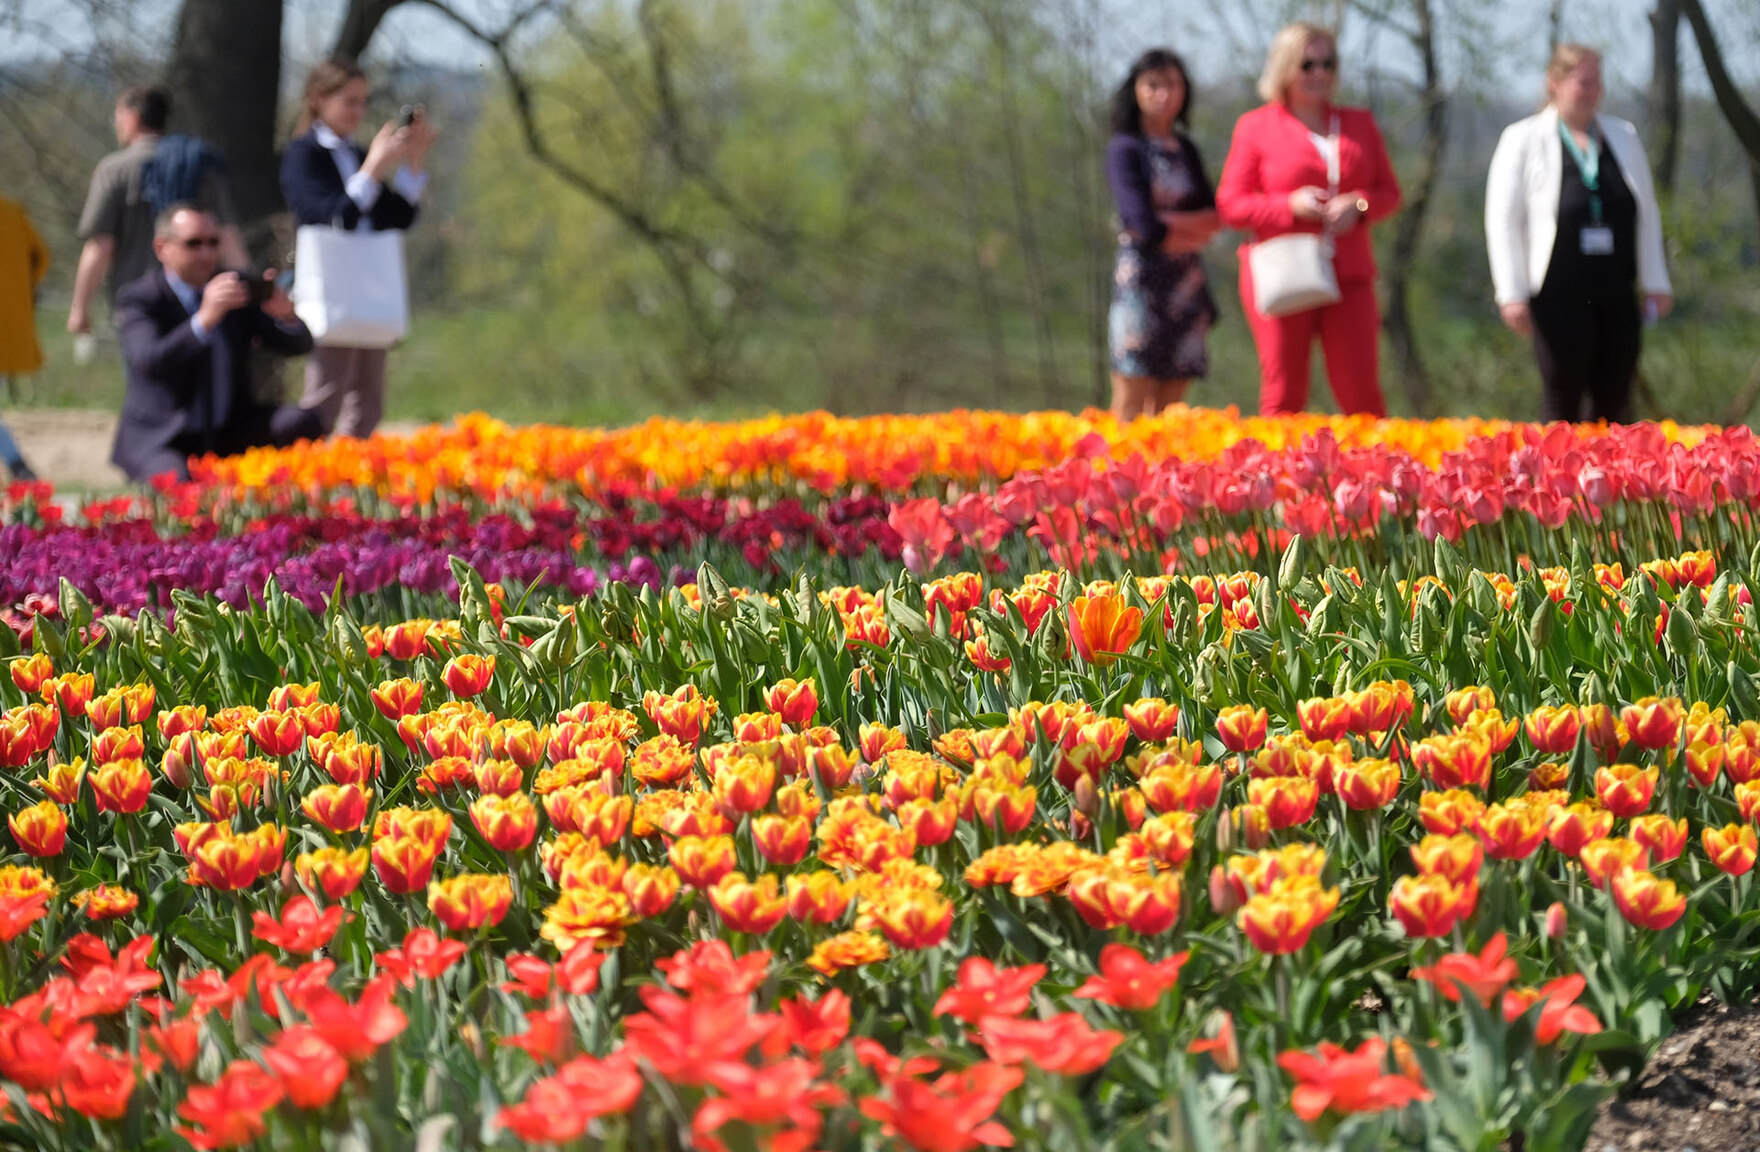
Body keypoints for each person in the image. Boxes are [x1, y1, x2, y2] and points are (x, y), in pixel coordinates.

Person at [1215, 22, 1402, 417]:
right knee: (1284, 394)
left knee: (1363, 396)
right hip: (1283, 270)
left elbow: (1390, 194)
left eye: (1328, 64)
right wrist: (1288, 206)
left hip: (1349, 272)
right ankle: (1277, 476)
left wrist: (1360, 205)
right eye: (1308, 64)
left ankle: (1375, 475)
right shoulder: (1256, 127)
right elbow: (1231, 205)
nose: (1320, 73)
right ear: (1285, 67)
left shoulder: (1358, 123)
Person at [1486, 44, 1672, 424]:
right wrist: (1511, 293)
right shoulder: (1523, 139)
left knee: (1616, 399)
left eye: (1598, 84)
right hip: (1558, 293)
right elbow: (1503, 219)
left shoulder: (1623, 136)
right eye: (1584, 83)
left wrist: (1657, 282)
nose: (1593, 93)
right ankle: (1560, 481)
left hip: (1616, 290)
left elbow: (1647, 213)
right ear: (1555, 83)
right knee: (1563, 394)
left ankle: (1615, 481)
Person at [111, 204, 323, 483]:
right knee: (176, 482)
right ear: (162, 248)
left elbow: (299, 345)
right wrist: (204, 320)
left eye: (213, 242)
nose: (206, 253)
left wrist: (286, 316)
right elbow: (150, 361)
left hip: (226, 429)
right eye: (193, 243)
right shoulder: (141, 298)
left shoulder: (234, 288)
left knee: (300, 422)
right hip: (165, 435)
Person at [281, 59, 434, 440]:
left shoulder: (357, 153)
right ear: (319, 99)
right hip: (333, 287)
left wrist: (412, 161)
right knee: (326, 395)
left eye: (362, 102)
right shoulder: (303, 154)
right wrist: (372, 167)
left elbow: (397, 216)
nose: (358, 112)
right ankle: (308, 479)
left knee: (368, 402)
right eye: (349, 101)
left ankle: (348, 479)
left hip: (368, 289)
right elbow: (334, 216)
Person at [68, 85, 246, 339]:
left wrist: (79, 308)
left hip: (138, 304)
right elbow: (228, 237)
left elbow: (100, 245)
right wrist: (248, 294)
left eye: (117, 116)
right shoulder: (200, 163)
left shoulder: (115, 169)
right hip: (202, 301)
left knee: (147, 373)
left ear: (131, 117)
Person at [1104, 49, 1221, 422]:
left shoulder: (1186, 149)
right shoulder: (1126, 149)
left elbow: (1214, 217)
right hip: (1142, 284)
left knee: (1172, 403)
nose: (1163, 94)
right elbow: (1143, 225)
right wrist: (1181, 227)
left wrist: (1170, 226)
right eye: (1152, 85)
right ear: (1135, 90)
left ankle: (1162, 480)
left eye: (1171, 84)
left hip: (1185, 284)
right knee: (1133, 394)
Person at [0, 195, 44, 480]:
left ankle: (17, 463)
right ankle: (17, 463)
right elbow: (40, 256)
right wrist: (21, 291)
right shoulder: (10, 211)